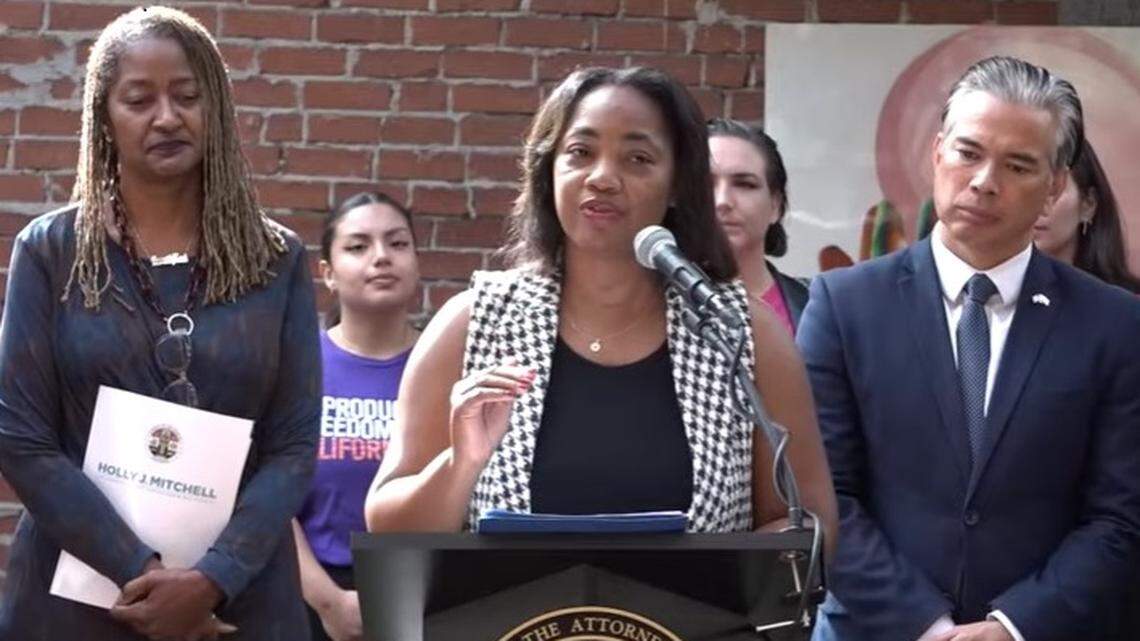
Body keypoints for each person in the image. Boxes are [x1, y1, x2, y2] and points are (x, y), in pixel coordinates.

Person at [363, 66, 837, 544]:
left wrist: (713, 582)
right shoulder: (475, 322)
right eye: (580, 153)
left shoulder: (739, 330)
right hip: (515, 621)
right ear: (548, 169)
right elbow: (388, 528)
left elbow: (811, 526)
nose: (604, 177)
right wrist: (459, 464)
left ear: (677, 183)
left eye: (637, 158)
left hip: (691, 620)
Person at [0, 7, 320, 640]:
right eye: (139, 99)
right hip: (77, 601)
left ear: (215, 110)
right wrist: (140, 572)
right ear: (105, 119)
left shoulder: (275, 260)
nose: (167, 117)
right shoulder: (52, 251)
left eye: (187, 96)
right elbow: (21, 436)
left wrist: (211, 581)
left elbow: (293, 445)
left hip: (239, 600)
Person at [799, 56, 1140, 641]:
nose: (985, 180)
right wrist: (926, 625)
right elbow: (824, 497)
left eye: (1018, 165)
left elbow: (1121, 515)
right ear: (937, 153)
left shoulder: (1113, 323)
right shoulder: (845, 305)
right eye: (969, 152)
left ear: (1055, 185)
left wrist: (1011, 626)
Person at [293, 193, 420, 641]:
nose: (381, 257)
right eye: (358, 246)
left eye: (398, 244)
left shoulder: (446, 365)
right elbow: (266, 500)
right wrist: (331, 603)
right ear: (327, 273)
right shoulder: (298, 366)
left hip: (424, 598)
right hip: (311, 600)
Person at [708, 118, 808, 336]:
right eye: (706, 184)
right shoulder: (647, 308)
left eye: (745, 184)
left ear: (776, 206)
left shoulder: (817, 307)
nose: (722, 201)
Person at [1033, 138, 1140, 293]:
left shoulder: (1127, 308)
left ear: (1088, 205)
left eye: (1053, 189)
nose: (1036, 206)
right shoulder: (990, 298)